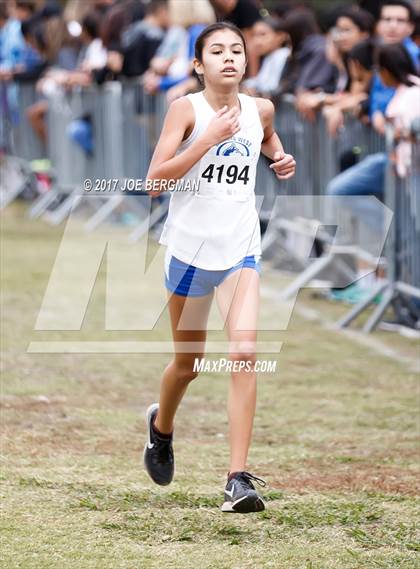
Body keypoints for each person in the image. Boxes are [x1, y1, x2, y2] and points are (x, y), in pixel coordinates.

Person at [142, 21, 295, 513]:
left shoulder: (261, 107)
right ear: (197, 64)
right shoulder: (185, 110)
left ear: (246, 62)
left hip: (240, 250)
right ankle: (160, 428)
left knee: (245, 352)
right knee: (187, 364)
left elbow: (266, 134)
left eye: (236, 50)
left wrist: (279, 156)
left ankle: (237, 479)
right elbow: (154, 181)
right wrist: (205, 139)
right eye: (216, 51)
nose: (229, 57)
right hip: (189, 251)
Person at [241, 16, 290, 97]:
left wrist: (254, 90)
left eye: (263, 34)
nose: (257, 41)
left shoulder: (283, 55)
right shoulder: (270, 57)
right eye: (254, 35)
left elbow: (272, 86)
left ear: (280, 36)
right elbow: (260, 81)